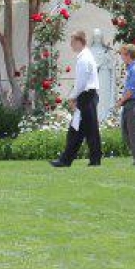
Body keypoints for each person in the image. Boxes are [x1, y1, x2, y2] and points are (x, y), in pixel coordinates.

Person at [50, 30, 102, 167]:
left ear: (79, 41)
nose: (71, 45)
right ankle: (71, 159)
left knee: (82, 129)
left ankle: (69, 160)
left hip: (86, 95)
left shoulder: (84, 58)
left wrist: (73, 97)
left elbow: (81, 82)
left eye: (72, 42)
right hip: (89, 95)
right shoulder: (85, 56)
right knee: (81, 129)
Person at [116, 44, 135, 165]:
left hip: (134, 103)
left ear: (128, 55)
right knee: (126, 132)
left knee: (134, 133)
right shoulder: (131, 68)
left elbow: (131, 90)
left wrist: (121, 101)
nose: (122, 57)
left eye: (122, 55)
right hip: (130, 103)